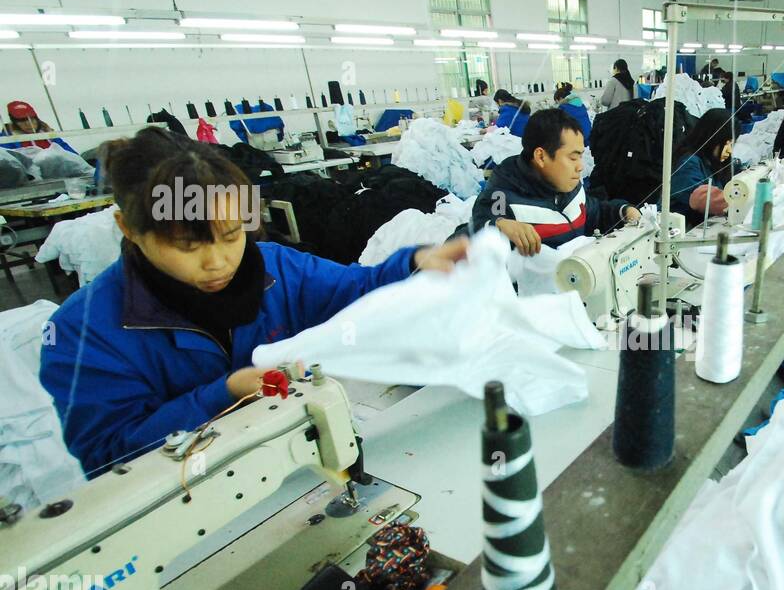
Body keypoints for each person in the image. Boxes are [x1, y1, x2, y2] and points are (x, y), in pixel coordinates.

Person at [39, 128, 468, 475]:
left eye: (231, 236)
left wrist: (412, 264)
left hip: (286, 469)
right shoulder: (84, 332)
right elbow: (107, 458)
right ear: (128, 229)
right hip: (186, 502)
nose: (217, 262)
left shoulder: (275, 269)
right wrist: (222, 396)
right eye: (188, 246)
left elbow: (352, 290)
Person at [471, 108, 638, 256]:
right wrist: (500, 225)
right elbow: (484, 221)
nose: (580, 167)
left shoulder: (570, 186)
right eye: (573, 158)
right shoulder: (501, 194)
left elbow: (593, 212)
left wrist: (622, 211)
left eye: (580, 156)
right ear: (541, 157)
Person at [668, 107, 735, 225]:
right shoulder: (689, 162)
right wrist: (741, 199)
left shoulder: (713, 162)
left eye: (732, 144)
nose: (729, 150)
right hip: (678, 230)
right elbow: (699, 197)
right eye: (726, 143)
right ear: (712, 137)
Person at [1, 100, 75, 152]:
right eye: (22, 121)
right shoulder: (7, 139)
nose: (28, 124)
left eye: (32, 119)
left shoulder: (47, 133)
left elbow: (71, 154)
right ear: (14, 123)